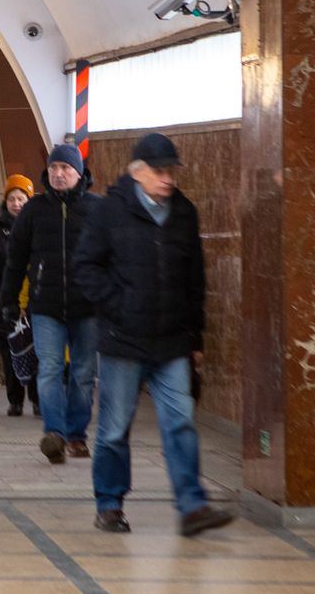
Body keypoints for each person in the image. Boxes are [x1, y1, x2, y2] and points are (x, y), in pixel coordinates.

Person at [75, 133, 233, 537]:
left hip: (172, 342)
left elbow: (195, 280)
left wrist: (196, 338)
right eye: (160, 172)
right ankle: (109, 504)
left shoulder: (184, 213)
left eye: (171, 172)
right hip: (123, 341)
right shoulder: (110, 212)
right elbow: (86, 268)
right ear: (138, 173)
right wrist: (119, 307)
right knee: (114, 429)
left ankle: (192, 506)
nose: (168, 179)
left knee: (180, 422)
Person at [2, 143, 104, 464]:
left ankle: (76, 435)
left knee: (84, 373)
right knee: (49, 369)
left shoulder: (98, 210)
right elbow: (15, 259)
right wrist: (7, 300)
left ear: (79, 173)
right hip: (45, 306)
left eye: (65, 169)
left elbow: (113, 258)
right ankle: (55, 434)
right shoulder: (33, 210)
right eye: (53, 168)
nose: (58, 174)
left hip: (87, 307)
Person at [0, 174, 39, 417]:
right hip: (3, 300)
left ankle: (38, 400)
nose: (17, 203)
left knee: (37, 352)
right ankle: (15, 399)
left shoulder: (39, 226)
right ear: (5, 201)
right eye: (12, 198)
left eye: (22, 199)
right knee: (9, 352)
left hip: (35, 301)